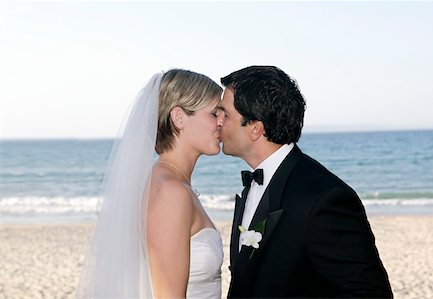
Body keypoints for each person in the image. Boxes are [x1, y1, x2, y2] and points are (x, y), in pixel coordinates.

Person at [217, 65, 393, 298]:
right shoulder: (256, 183)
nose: (217, 121)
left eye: (225, 114)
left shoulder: (324, 198)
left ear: (255, 129)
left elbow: (369, 293)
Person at [77, 69, 223, 298]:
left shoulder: (167, 182)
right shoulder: (171, 192)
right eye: (214, 114)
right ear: (179, 118)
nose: (221, 122)